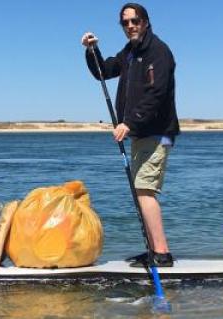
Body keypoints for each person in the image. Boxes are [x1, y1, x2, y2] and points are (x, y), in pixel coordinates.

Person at [81, 3, 180, 267]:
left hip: (157, 132)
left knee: (145, 190)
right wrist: (92, 50)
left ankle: (162, 253)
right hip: (141, 134)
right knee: (140, 191)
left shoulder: (159, 52)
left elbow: (156, 95)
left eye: (135, 20)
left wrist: (129, 123)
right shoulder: (129, 53)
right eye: (125, 23)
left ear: (146, 22)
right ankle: (152, 250)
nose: (130, 26)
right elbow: (103, 70)